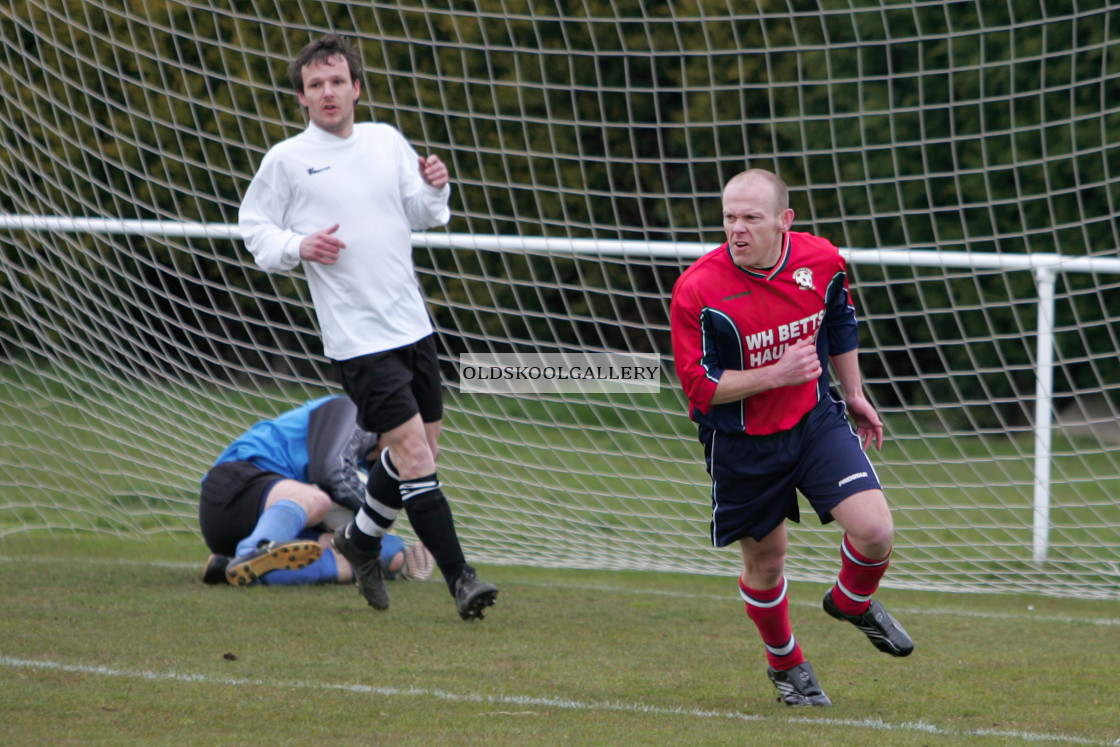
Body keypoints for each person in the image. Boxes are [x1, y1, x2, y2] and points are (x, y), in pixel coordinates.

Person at [237, 33, 497, 620]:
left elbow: (423, 214)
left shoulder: (384, 141)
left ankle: (358, 540)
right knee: (412, 456)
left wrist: (435, 185)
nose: (327, 92)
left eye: (336, 81)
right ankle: (462, 580)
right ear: (301, 98)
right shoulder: (286, 159)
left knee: (419, 452)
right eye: (314, 85)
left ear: (356, 87)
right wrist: (299, 244)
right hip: (358, 340)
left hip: (413, 325)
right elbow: (254, 230)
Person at [669, 169, 913, 707]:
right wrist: (774, 374)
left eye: (751, 218)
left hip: (814, 422)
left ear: (785, 221)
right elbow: (698, 387)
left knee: (875, 532)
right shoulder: (698, 290)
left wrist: (853, 393)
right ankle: (786, 665)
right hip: (741, 442)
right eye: (730, 217)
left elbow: (841, 322)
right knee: (768, 563)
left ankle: (850, 602)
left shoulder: (821, 260)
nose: (737, 228)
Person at [199, 395, 435, 587]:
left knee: (388, 555)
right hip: (231, 492)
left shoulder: (371, 468)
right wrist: (375, 519)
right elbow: (331, 473)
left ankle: (239, 570)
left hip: (281, 522)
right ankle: (251, 553)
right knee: (317, 500)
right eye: (413, 434)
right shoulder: (350, 410)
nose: (415, 446)